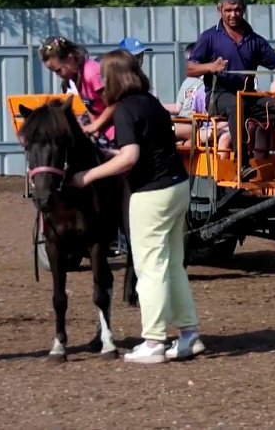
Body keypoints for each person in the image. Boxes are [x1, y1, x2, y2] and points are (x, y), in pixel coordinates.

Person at [69, 50, 204, 363]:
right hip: (177, 186)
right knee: (171, 264)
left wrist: (86, 176)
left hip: (151, 194)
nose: (100, 81)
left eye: (104, 76)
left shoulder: (127, 110)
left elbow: (130, 157)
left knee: (150, 268)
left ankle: (154, 341)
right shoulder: (150, 103)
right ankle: (188, 334)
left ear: (114, 77)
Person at [186, 0, 275, 180]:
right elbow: (190, 68)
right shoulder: (209, 37)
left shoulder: (254, 40)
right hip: (218, 96)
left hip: (248, 96)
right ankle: (242, 165)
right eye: (228, 10)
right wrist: (211, 67)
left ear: (244, 11)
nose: (233, 14)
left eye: (237, 10)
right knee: (236, 105)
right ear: (220, 11)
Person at [39, 37, 129, 251]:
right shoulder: (73, 79)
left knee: (119, 174)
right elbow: (88, 108)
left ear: (70, 58)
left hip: (118, 131)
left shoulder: (91, 72)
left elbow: (115, 102)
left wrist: (96, 125)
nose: (59, 75)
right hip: (101, 131)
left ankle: (124, 228)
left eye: (58, 70)